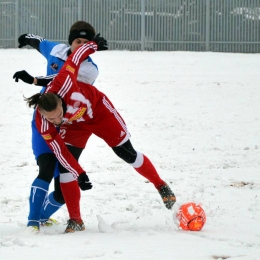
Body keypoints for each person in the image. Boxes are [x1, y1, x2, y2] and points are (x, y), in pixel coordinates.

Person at [14, 41, 176, 233]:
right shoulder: (45, 123)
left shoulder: (64, 80)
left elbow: (75, 57)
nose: (57, 121)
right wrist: (80, 173)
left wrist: (93, 45)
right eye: (52, 119)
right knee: (67, 168)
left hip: (98, 112)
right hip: (74, 125)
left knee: (127, 154)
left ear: (60, 101)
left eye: (58, 115)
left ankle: (161, 185)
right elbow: (61, 152)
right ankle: (76, 220)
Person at [15, 21, 108, 231]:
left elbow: (59, 79)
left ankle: (40, 217)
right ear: (70, 41)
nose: (80, 46)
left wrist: (32, 79)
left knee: (63, 189)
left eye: (86, 43)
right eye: (77, 41)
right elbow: (41, 44)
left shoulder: (89, 70)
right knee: (46, 168)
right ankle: (32, 224)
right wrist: (27, 38)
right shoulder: (57, 50)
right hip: (45, 119)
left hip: (68, 127)